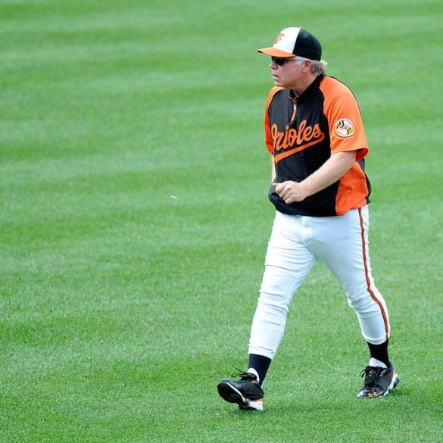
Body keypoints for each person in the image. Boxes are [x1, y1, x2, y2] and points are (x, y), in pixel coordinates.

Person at [217, 27, 399, 411]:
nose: (273, 66)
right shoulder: (275, 98)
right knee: (272, 296)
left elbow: (345, 156)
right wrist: (278, 182)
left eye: (281, 60)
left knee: (361, 295)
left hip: (340, 218)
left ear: (307, 65)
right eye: (272, 59)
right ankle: (253, 383)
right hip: (289, 223)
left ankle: (381, 364)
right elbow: (275, 149)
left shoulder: (337, 96)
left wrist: (302, 187)